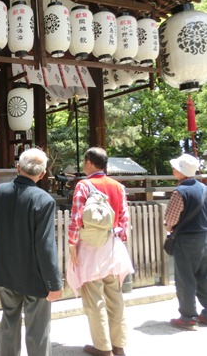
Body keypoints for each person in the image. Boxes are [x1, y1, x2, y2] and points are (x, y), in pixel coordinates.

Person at [0, 148, 63, 356]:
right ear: (43, 173)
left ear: (17, 168)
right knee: (38, 328)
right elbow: (45, 245)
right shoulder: (44, 200)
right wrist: (53, 283)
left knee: (9, 322)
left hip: (5, 270)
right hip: (34, 275)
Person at [66, 147, 134, 356]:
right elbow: (124, 219)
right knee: (115, 297)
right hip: (112, 246)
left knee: (94, 297)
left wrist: (72, 245)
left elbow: (77, 218)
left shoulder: (84, 185)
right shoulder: (118, 187)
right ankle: (119, 345)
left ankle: (103, 347)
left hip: (90, 247)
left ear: (88, 162)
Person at [164, 153, 207, 331]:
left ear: (181, 171)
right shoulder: (204, 188)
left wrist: (168, 227)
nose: (173, 169)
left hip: (186, 239)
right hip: (204, 237)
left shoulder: (179, 192)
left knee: (185, 279)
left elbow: (170, 220)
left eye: (175, 167)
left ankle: (188, 317)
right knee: (203, 276)